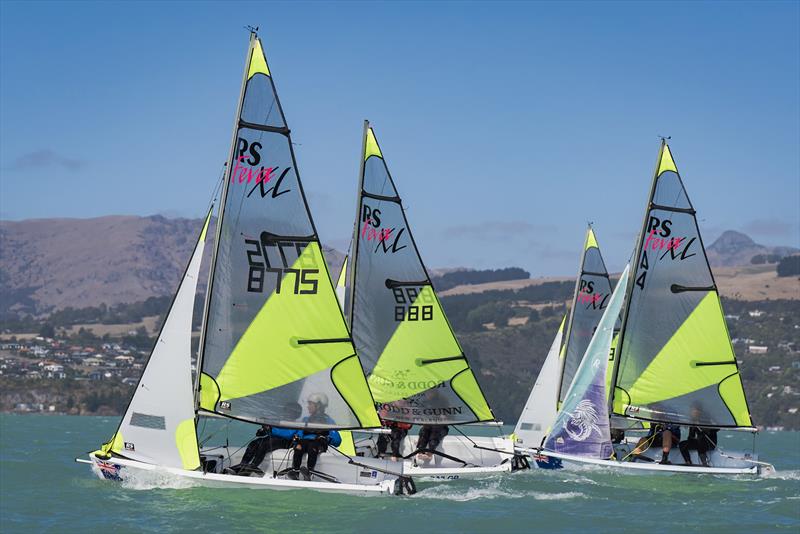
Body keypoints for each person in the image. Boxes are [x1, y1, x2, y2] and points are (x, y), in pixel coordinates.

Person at [225, 402, 302, 476]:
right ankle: (243, 464)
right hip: (273, 439)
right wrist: (264, 430)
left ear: (294, 414)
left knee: (264, 444)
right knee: (253, 443)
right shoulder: (280, 421)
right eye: (286, 410)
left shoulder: (297, 424)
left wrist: (271, 430)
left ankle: (252, 466)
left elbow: (288, 434)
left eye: (289, 411)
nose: (286, 412)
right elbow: (270, 431)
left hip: (286, 441)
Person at [288, 393, 341, 481]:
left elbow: (337, 440)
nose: (308, 407)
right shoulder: (306, 420)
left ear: (318, 406)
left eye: (310, 404)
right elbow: (299, 433)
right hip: (305, 442)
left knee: (312, 446)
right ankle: (295, 472)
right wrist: (296, 440)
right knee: (298, 447)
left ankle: (310, 472)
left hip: (318, 444)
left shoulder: (328, 421)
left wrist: (327, 439)